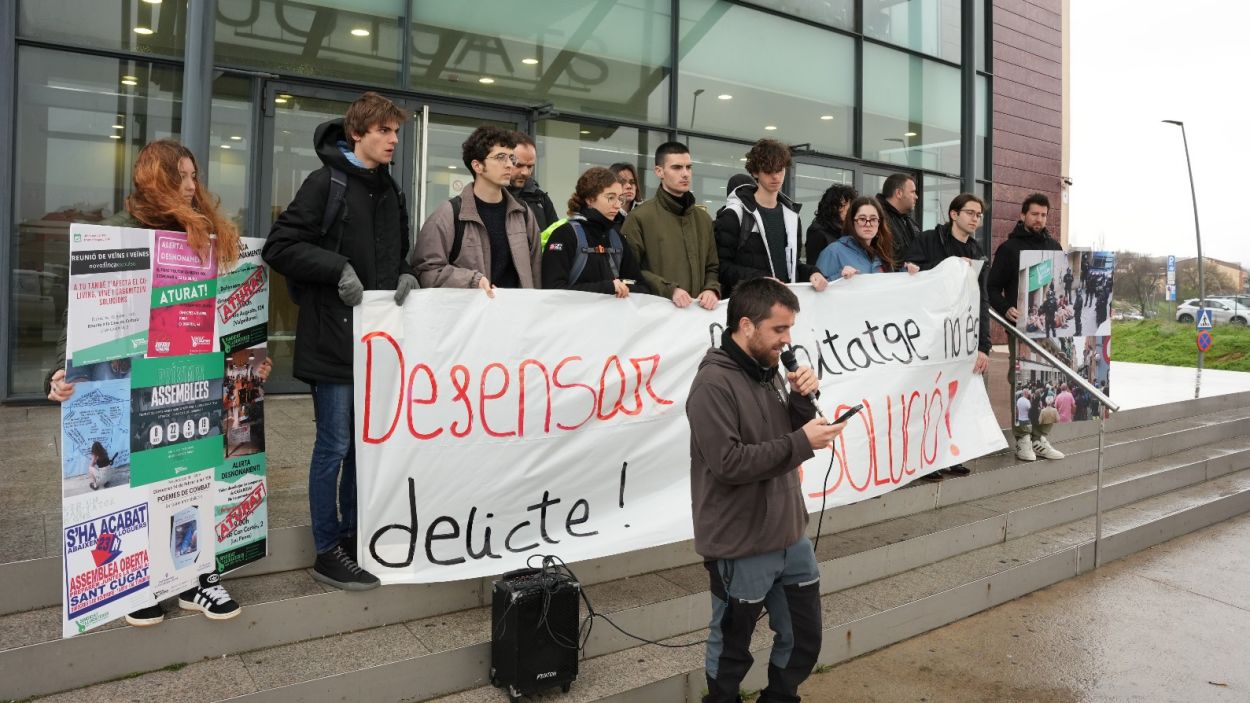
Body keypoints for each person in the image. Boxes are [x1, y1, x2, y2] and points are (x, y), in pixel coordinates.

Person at [47, 139, 249, 625]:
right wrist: (60, 369)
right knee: (138, 480)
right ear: (153, 178)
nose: (190, 184)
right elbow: (83, 313)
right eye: (180, 174)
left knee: (197, 475)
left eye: (193, 175)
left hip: (194, 374)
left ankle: (199, 577)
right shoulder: (118, 234)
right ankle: (138, 581)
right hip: (135, 375)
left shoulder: (209, 233)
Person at [264, 91, 418, 591]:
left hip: (376, 346)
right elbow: (280, 246)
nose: (394, 140)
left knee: (362, 449)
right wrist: (337, 269)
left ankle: (354, 538)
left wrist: (407, 275)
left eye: (397, 132)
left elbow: (400, 255)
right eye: (386, 132)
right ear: (358, 134)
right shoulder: (324, 182)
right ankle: (326, 548)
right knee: (334, 445)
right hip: (332, 339)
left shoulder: (390, 190)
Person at [686, 277, 845, 703]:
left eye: (789, 329)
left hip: (789, 533)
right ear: (746, 325)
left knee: (803, 638)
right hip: (741, 542)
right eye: (778, 329)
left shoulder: (771, 372)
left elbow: (781, 437)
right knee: (732, 649)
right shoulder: (712, 385)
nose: (787, 340)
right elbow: (729, 463)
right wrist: (801, 441)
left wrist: (800, 401)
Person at [905, 193, 992, 480]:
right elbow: (911, 278)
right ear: (954, 214)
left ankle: (949, 454)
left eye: (978, 215)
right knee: (926, 399)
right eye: (970, 212)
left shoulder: (978, 252)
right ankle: (922, 460)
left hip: (960, 339)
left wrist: (984, 346)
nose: (975, 219)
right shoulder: (929, 240)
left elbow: (982, 300)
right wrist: (950, 267)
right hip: (929, 337)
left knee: (954, 398)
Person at [413, 126, 542, 293]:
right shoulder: (450, 213)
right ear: (478, 166)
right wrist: (472, 280)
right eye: (501, 157)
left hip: (516, 315)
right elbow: (426, 272)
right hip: (470, 316)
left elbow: (536, 272)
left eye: (511, 158)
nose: (509, 165)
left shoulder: (523, 214)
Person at [987, 192, 1065, 462]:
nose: (1039, 219)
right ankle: (1022, 438)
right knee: (1021, 379)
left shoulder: (1054, 247)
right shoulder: (1009, 249)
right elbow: (992, 287)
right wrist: (1005, 307)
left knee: (1051, 379)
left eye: (1043, 215)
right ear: (1023, 215)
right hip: (1020, 327)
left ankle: (1041, 437)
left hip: (1050, 329)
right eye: (1034, 214)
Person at [714, 139, 828, 298]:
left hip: (783, 304)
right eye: (768, 170)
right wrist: (760, 280)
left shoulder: (792, 217)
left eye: (780, 170)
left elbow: (791, 266)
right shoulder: (734, 214)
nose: (775, 177)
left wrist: (813, 272)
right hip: (749, 306)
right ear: (755, 172)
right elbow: (721, 268)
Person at [621, 141, 720, 310]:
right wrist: (669, 289)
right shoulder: (639, 217)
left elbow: (712, 267)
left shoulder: (703, 219)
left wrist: (711, 289)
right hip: (657, 317)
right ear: (659, 171)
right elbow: (629, 271)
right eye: (677, 167)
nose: (685, 174)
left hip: (698, 317)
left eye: (688, 167)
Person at [542, 167, 649, 296]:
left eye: (620, 199)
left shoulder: (616, 238)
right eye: (610, 198)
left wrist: (622, 288)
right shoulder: (564, 235)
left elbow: (642, 287)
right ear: (590, 200)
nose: (617, 205)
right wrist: (608, 288)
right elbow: (553, 289)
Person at [816, 197, 918, 280]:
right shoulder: (834, 251)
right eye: (862, 219)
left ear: (879, 223)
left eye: (873, 219)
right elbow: (815, 292)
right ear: (852, 222)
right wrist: (839, 277)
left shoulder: (882, 253)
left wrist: (905, 272)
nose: (868, 224)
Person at [508, 132, 559, 232]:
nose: (525, 172)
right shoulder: (490, 198)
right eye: (519, 165)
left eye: (530, 166)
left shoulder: (541, 199)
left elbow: (555, 240)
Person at [804, 183, 857, 266]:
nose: (846, 209)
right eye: (842, 205)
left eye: (850, 205)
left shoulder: (850, 231)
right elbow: (814, 267)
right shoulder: (817, 232)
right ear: (832, 206)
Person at [876, 173, 921, 271]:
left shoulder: (909, 221)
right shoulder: (878, 219)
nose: (916, 197)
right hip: (891, 282)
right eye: (912, 192)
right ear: (899, 193)